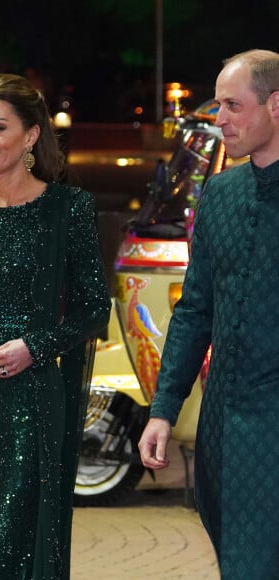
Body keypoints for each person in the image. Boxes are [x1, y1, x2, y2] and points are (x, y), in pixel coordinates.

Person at [0, 73, 111, 579]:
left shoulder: (67, 210)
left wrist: (33, 346)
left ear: (31, 136)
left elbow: (93, 308)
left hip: (33, 404)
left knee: (11, 547)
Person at [138, 49, 279, 578]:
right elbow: (194, 310)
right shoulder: (218, 194)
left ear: (276, 105)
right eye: (218, 106)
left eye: (232, 106)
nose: (219, 120)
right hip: (220, 427)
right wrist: (162, 409)